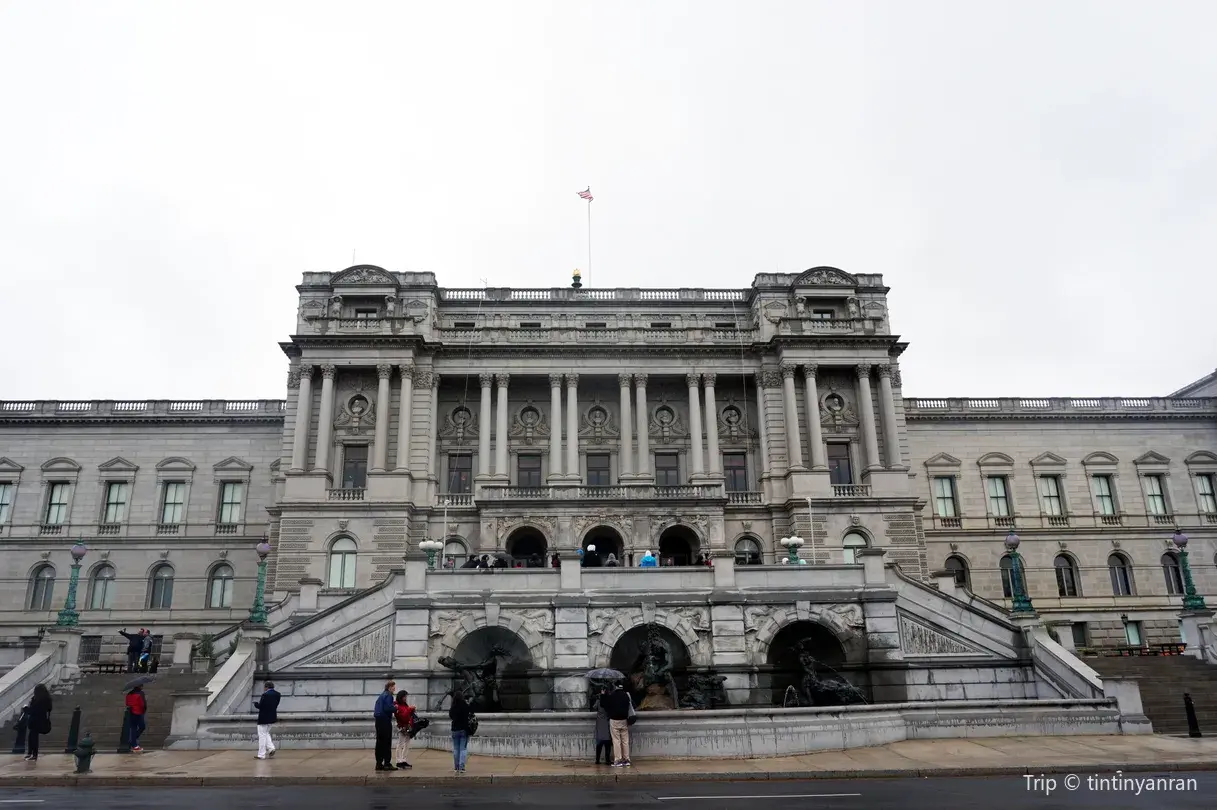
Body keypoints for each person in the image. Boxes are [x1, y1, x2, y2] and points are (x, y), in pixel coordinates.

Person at [602, 681, 633, 767]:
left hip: (614, 720)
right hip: (624, 720)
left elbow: (605, 706)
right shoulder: (626, 695)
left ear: (615, 687)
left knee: (616, 741)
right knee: (625, 741)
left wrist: (604, 695)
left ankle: (618, 760)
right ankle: (626, 759)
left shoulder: (612, 696)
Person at [373, 680, 397, 771]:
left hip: (378, 720)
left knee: (379, 742)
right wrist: (395, 708)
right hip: (385, 720)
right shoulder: (389, 695)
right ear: (389, 687)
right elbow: (388, 708)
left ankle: (379, 763)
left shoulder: (381, 696)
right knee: (387, 742)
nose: (394, 688)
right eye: (393, 687)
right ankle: (387, 763)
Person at [25, 683, 52, 762]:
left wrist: (26, 709)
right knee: (32, 737)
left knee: (33, 738)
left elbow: (33, 710)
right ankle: (31, 753)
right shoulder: (46, 699)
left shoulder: (38, 700)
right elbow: (49, 709)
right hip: (39, 720)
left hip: (36, 721)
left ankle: (33, 754)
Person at [254, 680, 280, 760]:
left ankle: (261, 754)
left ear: (266, 687)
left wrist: (256, 704)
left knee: (262, 735)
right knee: (266, 733)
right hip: (272, 717)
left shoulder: (265, 695)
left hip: (263, 718)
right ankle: (271, 748)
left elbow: (261, 706)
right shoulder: (278, 694)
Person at [448, 690, 471, 773]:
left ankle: (456, 767)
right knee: (463, 749)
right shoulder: (465, 706)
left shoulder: (453, 707)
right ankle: (462, 767)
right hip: (464, 729)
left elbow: (451, 716)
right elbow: (469, 716)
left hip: (455, 729)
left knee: (456, 749)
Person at [393, 689, 416, 768]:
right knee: (400, 744)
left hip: (407, 726)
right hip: (402, 726)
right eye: (404, 696)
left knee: (407, 744)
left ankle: (404, 759)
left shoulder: (404, 705)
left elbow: (408, 716)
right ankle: (398, 760)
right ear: (400, 697)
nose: (405, 698)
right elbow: (403, 717)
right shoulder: (397, 706)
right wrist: (410, 709)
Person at [592, 686, 613, 765]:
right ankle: (607, 760)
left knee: (599, 743)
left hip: (600, 724)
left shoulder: (599, 700)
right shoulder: (609, 701)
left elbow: (594, 707)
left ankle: (597, 760)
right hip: (607, 723)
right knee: (607, 743)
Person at [125, 684, 147, 752]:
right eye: (142, 686)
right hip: (139, 712)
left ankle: (133, 740)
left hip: (131, 712)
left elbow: (127, 703)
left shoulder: (129, 693)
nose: (142, 687)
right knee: (142, 727)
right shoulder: (141, 693)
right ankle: (134, 744)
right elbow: (143, 704)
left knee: (133, 728)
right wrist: (143, 711)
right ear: (140, 686)